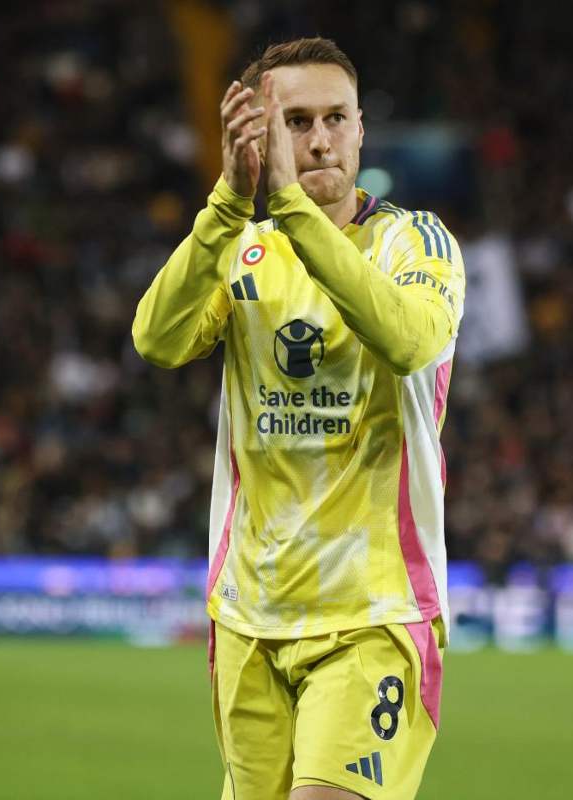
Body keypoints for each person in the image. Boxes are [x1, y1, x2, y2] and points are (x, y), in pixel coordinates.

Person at [132, 37, 465, 800]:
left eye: (336, 118)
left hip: (373, 612)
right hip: (249, 615)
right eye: (297, 121)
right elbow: (157, 339)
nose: (319, 140)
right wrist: (227, 203)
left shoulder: (415, 241)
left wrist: (289, 207)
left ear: (360, 130)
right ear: (260, 136)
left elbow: (410, 341)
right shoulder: (242, 247)